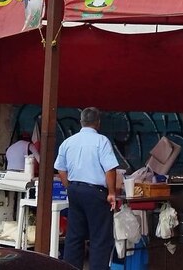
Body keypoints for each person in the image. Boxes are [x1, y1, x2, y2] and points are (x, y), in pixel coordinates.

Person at [54, 107, 120, 270]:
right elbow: (110, 169)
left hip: (75, 191)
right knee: (99, 237)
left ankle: (71, 268)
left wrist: (69, 186)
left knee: (74, 236)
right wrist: (111, 193)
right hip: (95, 193)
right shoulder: (101, 141)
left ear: (81, 122)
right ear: (98, 123)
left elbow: (60, 169)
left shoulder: (68, 142)